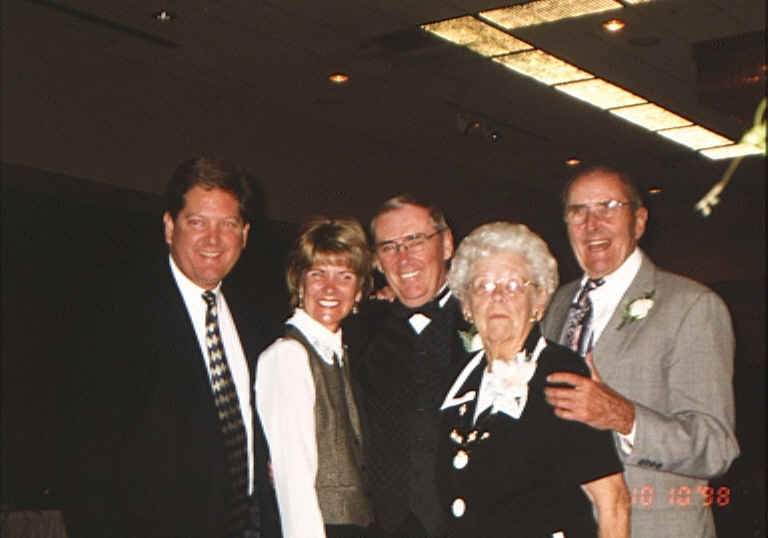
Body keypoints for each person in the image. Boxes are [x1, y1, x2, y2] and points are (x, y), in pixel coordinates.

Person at [60, 157, 280, 537]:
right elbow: (84, 461)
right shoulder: (117, 319)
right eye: (197, 222)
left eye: (227, 224)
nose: (213, 240)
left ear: (244, 235)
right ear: (169, 227)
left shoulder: (259, 320)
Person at [542, 166, 739, 538]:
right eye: (578, 211)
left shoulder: (692, 306)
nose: (592, 224)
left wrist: (625, 418)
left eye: (608, 207)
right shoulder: (555, 305)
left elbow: (716, 448)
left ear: (639, 221)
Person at [438, 221, 629, 537]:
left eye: (514, 285)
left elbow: (613, 501)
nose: (498, 296)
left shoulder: (560, 373)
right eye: (483, 285)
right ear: (467, 306)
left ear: (539, 302)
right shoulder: (458, 379)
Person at [346, 195, 469, 538]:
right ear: (376, 261)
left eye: (415, 240)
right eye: (389, 247)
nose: (403, 258)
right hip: (384, 525)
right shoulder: (360, 331)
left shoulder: (485, 322)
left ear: (447, 244)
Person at [256, 216, 374, 538]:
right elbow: (293, 478)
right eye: (317, 274)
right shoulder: (289, 356)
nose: (330, 289)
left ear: (359, 291)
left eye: (345, 276)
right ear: (300, 283)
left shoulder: (339, 354)